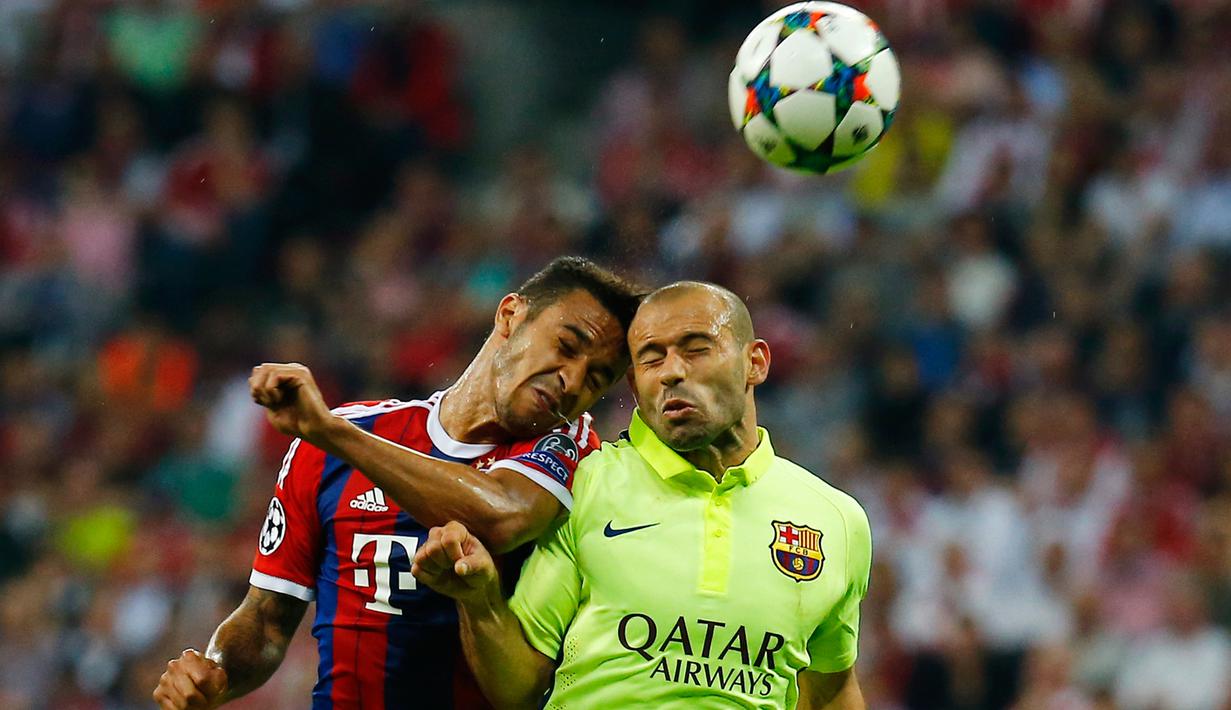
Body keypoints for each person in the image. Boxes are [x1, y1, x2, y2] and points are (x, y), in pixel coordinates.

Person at [152, 257, 642, 709]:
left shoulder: (575, 453)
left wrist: (332, 433)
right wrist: (215, 671)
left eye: (598, 377)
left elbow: (504, 515)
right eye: (567, 346)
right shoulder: (339, 442)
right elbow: (265, 622)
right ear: (511, 315)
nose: (573, 381)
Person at [413, 281, 873, 709]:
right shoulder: (586, 484)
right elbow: (519, 690)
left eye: (697, 349)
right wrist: (480, 600)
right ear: (634, 387)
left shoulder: (835, 520)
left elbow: (830, 687)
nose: (672, 372)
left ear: (755, 363)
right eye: (652, 358)